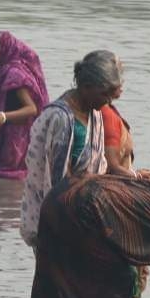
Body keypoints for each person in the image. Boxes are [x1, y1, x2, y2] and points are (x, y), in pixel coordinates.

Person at [20, 51, 129, 246]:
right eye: (104, 94)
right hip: (59, 220)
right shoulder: (60, 119)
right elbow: (57, 183)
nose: (108, 102)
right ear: (86, 87)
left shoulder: (94, 114)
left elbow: (98, 166)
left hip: (84, 215)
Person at [0, 32, 49, 180]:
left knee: (8, 175)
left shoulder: (14, 74)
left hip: (16, 141)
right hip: (11, 138)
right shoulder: (4, 70)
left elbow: (31, 108)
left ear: (4, 51)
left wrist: (3, 116)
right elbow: (10, 103)